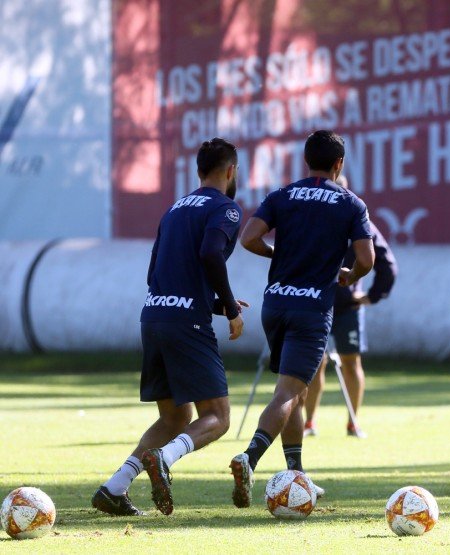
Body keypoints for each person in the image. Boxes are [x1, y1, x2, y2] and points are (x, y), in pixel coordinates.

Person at [92, 138, 246, 516]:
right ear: (231, 171)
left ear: (198, 170)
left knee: (175, 417)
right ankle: (164, 456)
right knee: (218, 417)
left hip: (154, 317)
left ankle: (114, 488)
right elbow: (210, 253)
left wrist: (211, 303)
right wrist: (229, 307)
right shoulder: (226, 209)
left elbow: (155, 274)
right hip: (185, 324)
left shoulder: (174, 209)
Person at [230, 130, 374, 508]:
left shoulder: (282, 195)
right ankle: (249, 457)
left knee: (296, 390)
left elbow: (249, 238)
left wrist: (277, 254)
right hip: (311, 309)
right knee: (288, 392)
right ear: (339, 163)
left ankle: (297, 472)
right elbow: (367, 259)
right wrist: (350, 276)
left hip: (275, 305)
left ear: (306, 160)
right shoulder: (350, 203)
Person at [296, 174, 398, 439]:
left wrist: (372, 296)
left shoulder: (360, 223)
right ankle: (309, 423)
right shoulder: (312, 223)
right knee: (314, 364)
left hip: (345, 307)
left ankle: (353, 422)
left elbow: (387, 263)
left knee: (351, 363)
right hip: (315, 303)